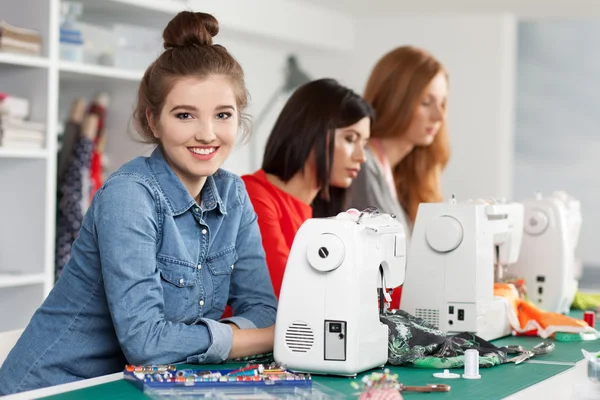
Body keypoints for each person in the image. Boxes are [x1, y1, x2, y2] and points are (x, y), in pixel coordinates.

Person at [0, 11, 277, 395]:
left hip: (147, 385)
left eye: (223, 115)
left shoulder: (233, 194)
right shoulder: (130, 196)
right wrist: (263, 338)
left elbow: (264, 310)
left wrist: (245, 334)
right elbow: (147, 344)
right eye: (185, 115)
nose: (207, 133)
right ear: (153, 121)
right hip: (54, 389)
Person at [243, 78, 374, 299]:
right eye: (351, 139)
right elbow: (287, 292)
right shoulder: (253, 195)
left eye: (365, 144)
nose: (361, 157)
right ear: (312, 132)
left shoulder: (321, 216)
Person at [347, 46, 450, 309]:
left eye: (442, 103)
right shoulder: (364, 168)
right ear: (394, 99)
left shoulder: (393, 172)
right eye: (426, 102)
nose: (439, 116)